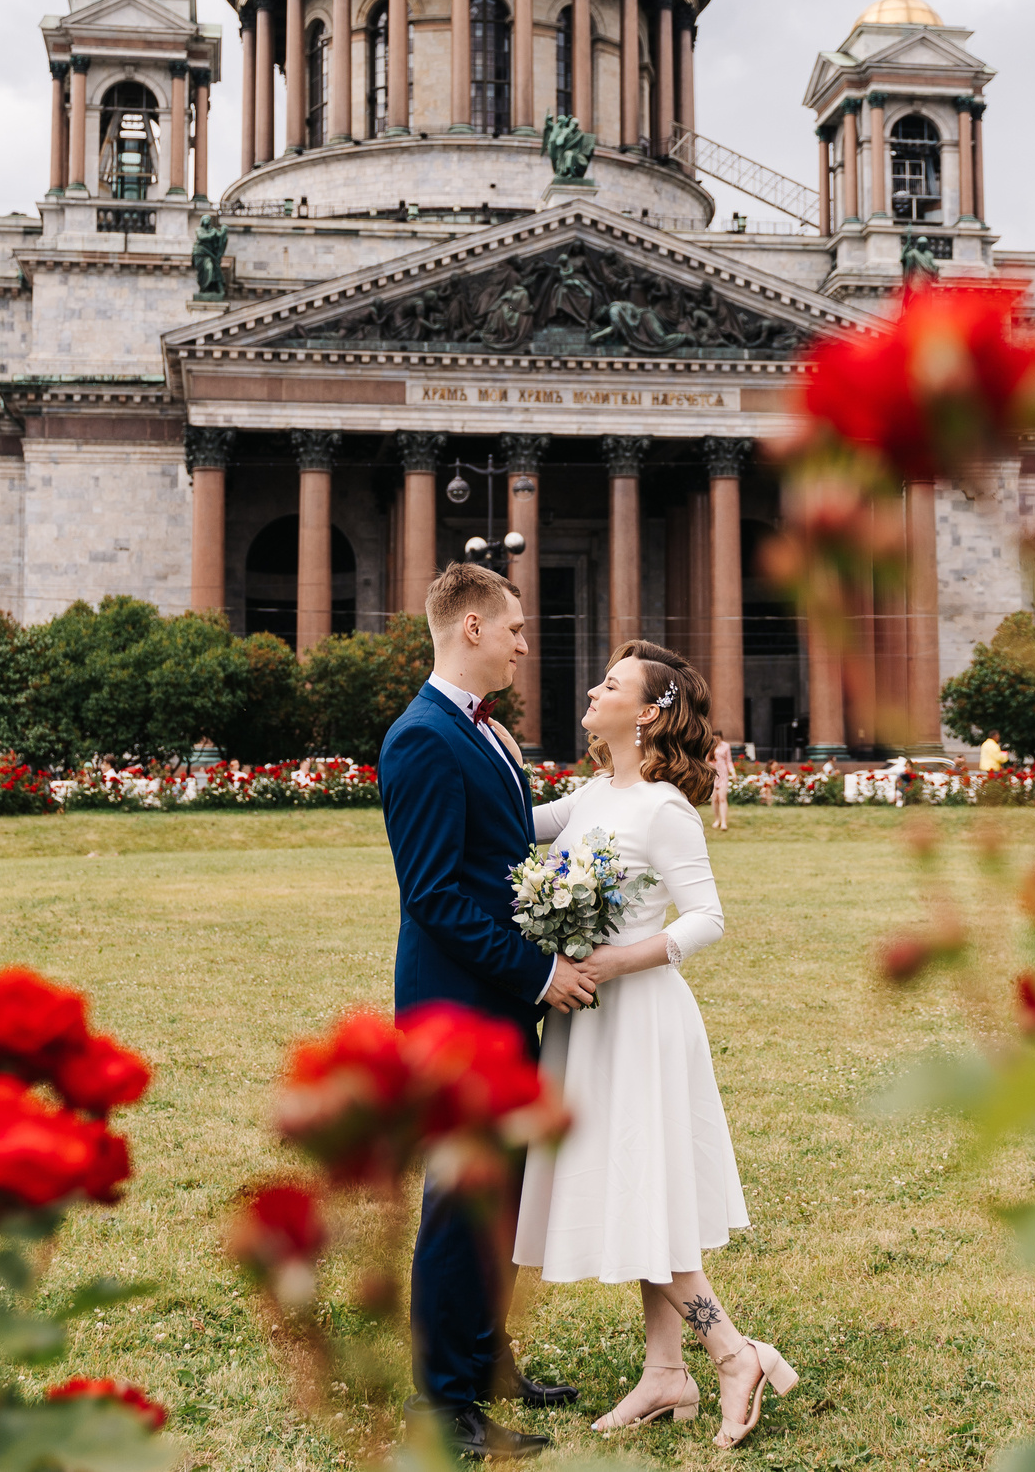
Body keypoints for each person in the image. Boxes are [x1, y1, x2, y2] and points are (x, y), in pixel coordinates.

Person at [519, 640, 798, 1450]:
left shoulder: (664, 808)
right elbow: (513, 823)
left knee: (641, 1187)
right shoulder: (591, 793)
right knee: (642, 1192)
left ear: (644, 712)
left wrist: (617, 959)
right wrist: (484, 747)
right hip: (590, 1020)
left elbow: (707, 918)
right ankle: (665, 1372)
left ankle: (733, 1353)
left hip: (639, 1018)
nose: (591, 690)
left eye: (609, 683)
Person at [379, 562, 593, 1461]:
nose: (523, 643)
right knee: (461, 1203)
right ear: (470, 626)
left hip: (493, 1007)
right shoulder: (422, 738)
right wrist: (541, 973)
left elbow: (503, 844)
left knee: (500, 1196)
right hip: (456, 1012)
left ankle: (487, 1361)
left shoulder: (488, 732)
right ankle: (442, 1403)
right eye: (513, 627)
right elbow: (433, 895)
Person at [709, 728, 734, 831]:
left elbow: (729, 761)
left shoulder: (726, 746)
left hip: (722, 773)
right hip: (713, 774)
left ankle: (724, 822)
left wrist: (733, 772)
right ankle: (717, 819)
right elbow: (706, 760)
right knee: (714, 798)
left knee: (722, 798)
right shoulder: (709, 746)